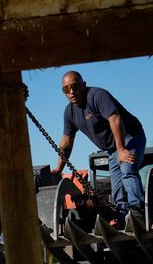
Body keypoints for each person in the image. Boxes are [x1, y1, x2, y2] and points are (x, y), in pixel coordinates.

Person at [55, 70, 147, 225]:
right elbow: (66, 143)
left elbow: (115, 119)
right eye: (66, 89)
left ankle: (138, 213)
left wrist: (122, 149)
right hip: (112, 148)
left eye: (75, 86)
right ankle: (124, 218)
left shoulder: (97, 96)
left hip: (130, 137)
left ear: (83, 84)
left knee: (127, 168)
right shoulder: (69, 112)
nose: (71, 92)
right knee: (117, 186)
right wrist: (58, 169)